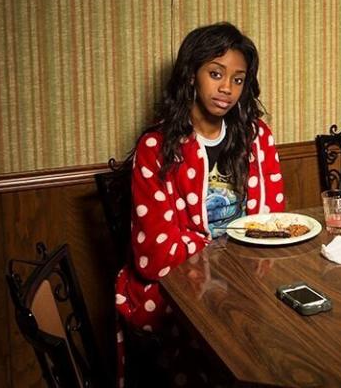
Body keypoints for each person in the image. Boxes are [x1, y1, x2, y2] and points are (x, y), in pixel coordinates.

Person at [114, 22, 285, 384]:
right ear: (191, 74)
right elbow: (154, 256)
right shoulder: (157, 147)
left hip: (246, 282)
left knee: (288, 335)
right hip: (177, 289)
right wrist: (222, 248)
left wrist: (236, 259)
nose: (227, 89)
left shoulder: (258, 137)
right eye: (215, 74)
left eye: (238, 80)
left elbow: (273, 224)